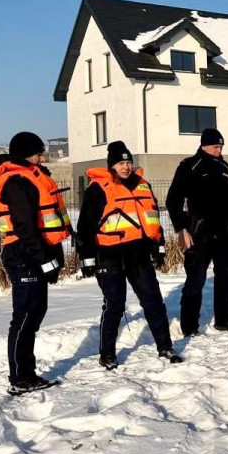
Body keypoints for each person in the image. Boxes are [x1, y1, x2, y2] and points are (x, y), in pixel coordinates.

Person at [0, 131, 71, 394]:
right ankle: (20, 378)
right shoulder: (17, 181)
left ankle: (27, 373)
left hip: (32, 255)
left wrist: (52, 258)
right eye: (39, 153)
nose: (43, 157)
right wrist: (45, 260)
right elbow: (25, 227)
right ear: (28, 155)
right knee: (25, 317)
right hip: (23, 256)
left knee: (34, 315)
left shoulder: (30, 177)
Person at [77, 141, 182, 368]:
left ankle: (165, 346)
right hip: (109, 255)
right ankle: (107, 354)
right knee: (115, 304)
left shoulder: (143, 186)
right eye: (120, 163)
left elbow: (153, 219)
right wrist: (86, 259)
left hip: (139, 254)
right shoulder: (97, 189)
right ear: (111, 165)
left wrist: (159, 247)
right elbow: (84, 227)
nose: (125, 167)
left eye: (128, 162)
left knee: (153, 301)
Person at [165, 127, 228, 335]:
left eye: (221, 146)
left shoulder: (224, 166)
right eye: (216, 146)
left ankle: (224, 319)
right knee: (195, 279)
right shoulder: (190, 165)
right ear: (204, 145)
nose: (220, 150)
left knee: (226, 276)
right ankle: (189, 325)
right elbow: (173, 200)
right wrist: (181, 228)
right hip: (199, 231)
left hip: (224, 230)